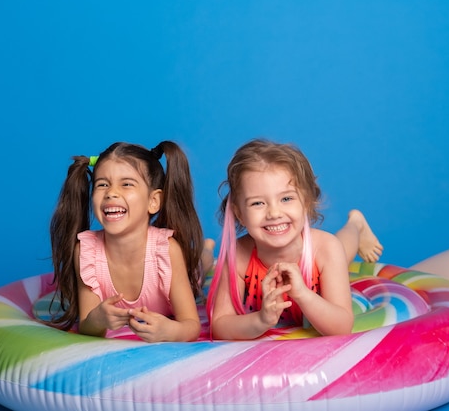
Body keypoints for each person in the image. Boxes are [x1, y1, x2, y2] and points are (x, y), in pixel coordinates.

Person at [206, 139, 383, 340]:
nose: (274, 213)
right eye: (258, 203)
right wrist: (261, 320)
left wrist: (302, 294)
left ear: (306, 202)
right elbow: (221, 325)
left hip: (318, 252)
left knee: (342, 249)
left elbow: (342, 327)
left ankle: (355, 224)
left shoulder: (325, 249)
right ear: (239, 214)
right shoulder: (239, 255)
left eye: (286, 199)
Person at [49, 141, 213, 342]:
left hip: (179, 269)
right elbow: (87, 325)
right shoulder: (86, 251)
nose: (111, 193)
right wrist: (98, 319)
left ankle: (207, 250)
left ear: (153, 201)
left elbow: (191, 325)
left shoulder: (167, 250)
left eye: (126, 184)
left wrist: (170, 331)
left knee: (197, 271)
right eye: (103, 184)